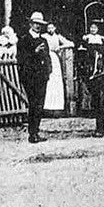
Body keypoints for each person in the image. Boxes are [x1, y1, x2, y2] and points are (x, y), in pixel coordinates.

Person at [17, 11, 52, 143]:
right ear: (31, 24)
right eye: (35, 23)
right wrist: (34, 52)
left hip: (42, 77)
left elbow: (47, 57)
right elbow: (21, 59)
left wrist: (48, 71)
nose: (37, 26)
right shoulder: (24, 40)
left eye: (40, 24)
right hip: (30, 77)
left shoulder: (44, 40)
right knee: (33, 104)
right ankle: (32, 134)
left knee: (40, 105)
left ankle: (36, 131)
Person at [43, 22, 74, 113]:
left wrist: (60, 47)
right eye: (48, 28)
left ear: (55, 28)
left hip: (55, 59)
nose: (50, 30)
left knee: (56, 82)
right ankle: (47, 107)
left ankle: (57, 107)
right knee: (49, 82)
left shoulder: (58, 36)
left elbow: (71, 44)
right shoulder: (44, 36)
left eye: (52, 28)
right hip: (47, 57)